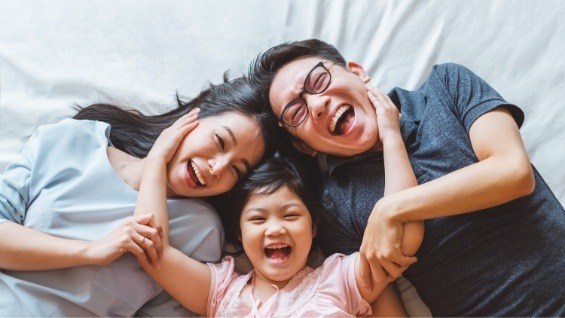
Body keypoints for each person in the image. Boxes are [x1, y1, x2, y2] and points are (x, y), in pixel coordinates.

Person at [248, 39, 565, 316]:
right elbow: (381, 302)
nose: (317, 105)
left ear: (357, 72)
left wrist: (391, 209)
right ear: (304, 146)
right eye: (296, 113)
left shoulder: (447, 86)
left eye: (319, 81)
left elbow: (513, 172)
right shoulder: (335, 207)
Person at [0, 77, 281, 316]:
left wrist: (157, 163)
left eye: (236, 169)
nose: (217, 168)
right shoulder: (73, 138)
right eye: (219, 141)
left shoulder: (201, 230)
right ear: (192, 118)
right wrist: (92, 251)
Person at [130, 90, 423, 315]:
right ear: (239, 235)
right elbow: (152, 249)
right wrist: (157, 160)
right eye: (258, 219)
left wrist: (391, 138)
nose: (275, 229)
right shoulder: (220, 291)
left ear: (313, 228)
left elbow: (402, 233)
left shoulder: (340, 280)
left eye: (290, 215)